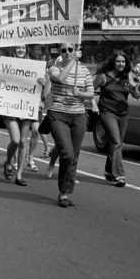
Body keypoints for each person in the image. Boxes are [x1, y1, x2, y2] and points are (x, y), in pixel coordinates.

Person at [46, 43, 95, 208]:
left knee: (74, 155)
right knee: (66, 153)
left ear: (75, 50)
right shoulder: (55, 67)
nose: (67, 52)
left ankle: (65, 193)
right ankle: (63, 188)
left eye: (70, 50)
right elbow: (59, 79)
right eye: (63, 50)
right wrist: (72, 62)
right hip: (58, 114)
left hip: (78, 116)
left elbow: (91, 93)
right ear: (60, 53)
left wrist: (81, 94)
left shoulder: (84, 71)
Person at [0, 44, 46, 187]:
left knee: (23, 142)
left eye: (23, 48)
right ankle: (8, 162)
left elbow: (41, 91)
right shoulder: (6, 65)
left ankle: (19, 175)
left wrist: (42, 84)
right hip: (11, 109)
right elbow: (1, 84)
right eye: (18, 48)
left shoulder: (33, 67)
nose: (21, 50)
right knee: (15, 139)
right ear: (14, 50)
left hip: (26, 108)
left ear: (27, 50)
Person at [94, 50, 140, 187]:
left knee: (116, 143)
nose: (121, 64)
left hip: (123, 114)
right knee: (116, 142)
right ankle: (119, 175)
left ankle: (109, 171)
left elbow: (137, 96)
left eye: (123, 61)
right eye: (118, 61)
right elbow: (90, 90)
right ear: (113, 62)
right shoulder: (103, 77)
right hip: (107, 112)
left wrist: (133, 87)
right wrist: (93, 104)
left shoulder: (128, 76)